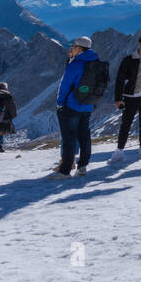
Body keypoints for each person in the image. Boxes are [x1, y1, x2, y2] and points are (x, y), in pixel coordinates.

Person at [50, 36, 100, 179]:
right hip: (87, 106)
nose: (72, 48)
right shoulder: (96, 62)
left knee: (68, 138)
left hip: (71, 106)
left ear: (79, 48)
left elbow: (65, 85)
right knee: (84, 137)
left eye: (74, 46)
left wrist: (60, 103)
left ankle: (65, 171)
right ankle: (82, 167)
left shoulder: (76, 64)